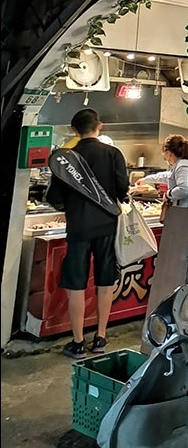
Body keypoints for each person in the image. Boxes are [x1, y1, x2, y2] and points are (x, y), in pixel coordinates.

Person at [45, 109, 129, 359]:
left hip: (79, 229)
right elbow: (122, 189)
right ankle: (101, 337)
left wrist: (70, 205)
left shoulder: (66, 159)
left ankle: (78, 342)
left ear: (74, 131)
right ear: (99, 126)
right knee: (105, 282)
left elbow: (54, 197)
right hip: (106, 227)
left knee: (77, 285)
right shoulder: (113, 153)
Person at [131, 134, 188, 208]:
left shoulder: (182, 165)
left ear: (168, 153)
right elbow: (167, 176)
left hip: (183, 212)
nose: (164, 158)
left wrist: (168, 194)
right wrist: (146, 179)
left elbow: (184, 189)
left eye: (164, 154)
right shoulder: (180, 165)